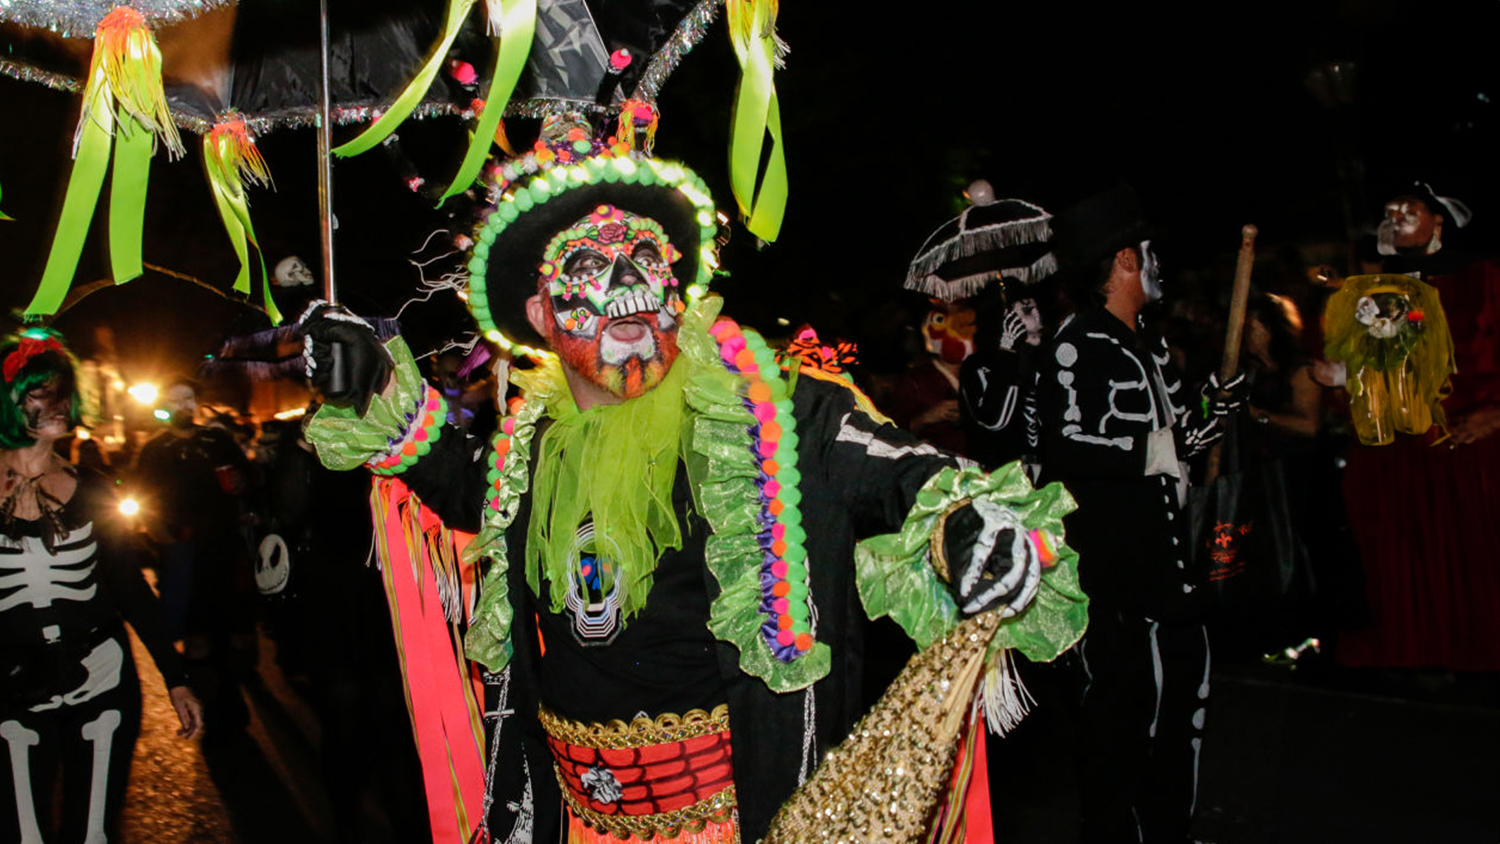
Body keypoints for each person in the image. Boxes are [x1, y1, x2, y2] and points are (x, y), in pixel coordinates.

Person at [298, 110, 1089, 844]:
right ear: (540, 316)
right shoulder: (530, 442)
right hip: (575, 821)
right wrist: (368, 384)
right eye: (589, 267)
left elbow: (902, 472)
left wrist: (968, 523)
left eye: (645, 257)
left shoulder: (768, 415)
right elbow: (462, 489)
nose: (627, 284)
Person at [1036, 186, 1242, 844]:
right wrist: (1169, 444)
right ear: (1125, 259)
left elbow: (1181, 438)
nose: (1159, 264)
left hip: (1173, 571)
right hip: (1118, 579)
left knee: (1184, 710)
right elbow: (1070, 446)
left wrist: (1211, 411)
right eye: (1147, 252)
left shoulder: (1147, 343)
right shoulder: (1077, 345)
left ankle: (1169, 830)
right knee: (1122, 725)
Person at [0, 329, 202, 843]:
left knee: (94, 834)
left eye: (63, 392)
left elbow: (131, 588)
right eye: (41, 393)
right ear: (9, 402)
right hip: (13, 690)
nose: (59, 404)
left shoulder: (89, 486)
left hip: (100, 679)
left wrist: (175, 678)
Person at [1332, 182, 1500, 671]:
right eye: (1390, 209)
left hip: (1473, 449)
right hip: (1403, 452)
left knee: (1477, 563)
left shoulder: (1486, 276)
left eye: (1411, 208)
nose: (1397, 215)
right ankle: (1426, 663)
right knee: (1409, 564)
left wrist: (1496, 413)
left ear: (1440, 220)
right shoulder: (1378, 290)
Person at [133, 376, 255, 731]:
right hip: (184, 553)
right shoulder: (156, 449)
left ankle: (233, 698)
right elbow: (143, 498)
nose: (181, 406)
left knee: (232, 630)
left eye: (187, 399)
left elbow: (250, 476)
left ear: (196, 402)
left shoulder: (216, 440)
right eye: (174, 400)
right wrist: (158, 532)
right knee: (196, 633)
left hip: (224, 548)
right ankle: (210, 707)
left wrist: (243, 481)